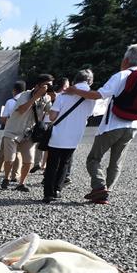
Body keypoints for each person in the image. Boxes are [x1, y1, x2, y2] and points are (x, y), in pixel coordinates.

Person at [66, 44, 137, 205]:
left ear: (126, 59)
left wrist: (75, 91)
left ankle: (99, 188)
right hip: (132, 125)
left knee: (93, 159)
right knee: (116, 161)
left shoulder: (121, 75)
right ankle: (107, 191)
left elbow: (98, 95)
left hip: (112, 125)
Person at [42, 69, 96, 203]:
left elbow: (53, 116)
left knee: (52, 164)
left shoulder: (63, 95)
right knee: (65, 163)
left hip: (58, 134)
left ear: (74, 81)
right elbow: (89, 114)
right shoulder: (92, 97)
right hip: (75, 135)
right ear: (90, 81)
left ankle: (48, 193)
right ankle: (57, 190)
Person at [0, 74, 54, 192]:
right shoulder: (25, 95)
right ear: (38, 85)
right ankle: (6, 177)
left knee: (29, 160)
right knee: (10, 159)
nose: (48, 88)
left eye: (50, 86)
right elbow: (22, 110)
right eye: (46, 85)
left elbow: (51, 113)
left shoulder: (46, 98)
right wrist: (36, 96)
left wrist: (56, 98)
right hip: (13, 130)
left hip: (29, 133)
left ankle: (21, 183)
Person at [0, 81, 26, 181]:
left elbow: (4, 118)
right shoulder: (28, 100)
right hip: (23, 131)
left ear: (14, 90)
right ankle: (15, 175)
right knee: (18, 153)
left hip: (10, 130)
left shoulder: (10, 101)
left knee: (3, 152)